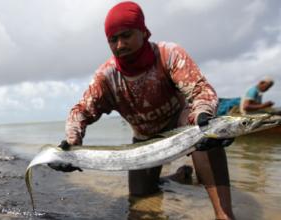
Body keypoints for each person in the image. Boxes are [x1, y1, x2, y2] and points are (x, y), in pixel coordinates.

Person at [48, 2, 235, 219]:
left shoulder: (168, 54)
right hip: (144, 140)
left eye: (126, 35)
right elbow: (81, 111)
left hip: (181, 125)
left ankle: (224, 214)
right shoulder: (106, 77)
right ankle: (178, 177)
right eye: (112, 39)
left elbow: (201, 91)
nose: (119, 45)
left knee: (206, 131)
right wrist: (72, 143)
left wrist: (204, 114)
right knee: (140, 199)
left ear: (143, 31)